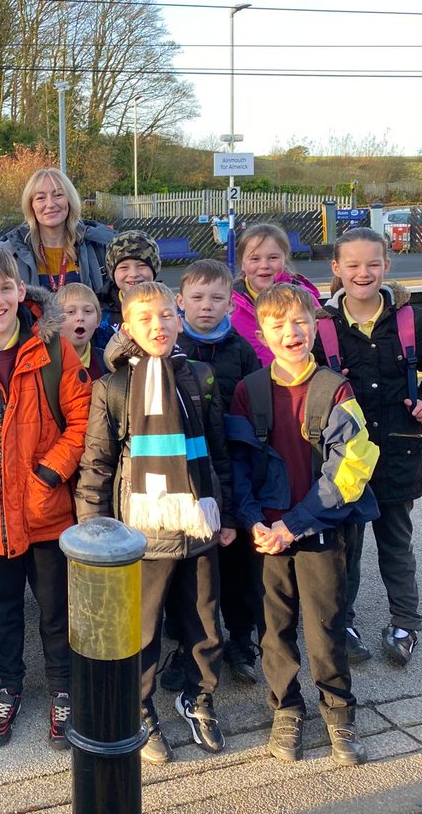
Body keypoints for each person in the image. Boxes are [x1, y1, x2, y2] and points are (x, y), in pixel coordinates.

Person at [75, 281, 234, 764]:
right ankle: (139, 706)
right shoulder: (115, 387)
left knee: (206, 623)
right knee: (142, 631)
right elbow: (97, 465)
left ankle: (197, 695)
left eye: (166, 316)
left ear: (180, 318)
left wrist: (227, 514)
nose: (158, 326)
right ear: (127, 328)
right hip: (142, 534)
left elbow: (220, 452)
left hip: (199, 526)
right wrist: (96, 533)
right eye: (146, 319)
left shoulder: (200, 376)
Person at [224, 283, 380, 767]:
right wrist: (253, 521)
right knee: (274, 629)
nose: (291, 333)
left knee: (326, 626)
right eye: (278, 325)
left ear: (315, 326)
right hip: (267, 537)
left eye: (300, 323)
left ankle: (338, 712)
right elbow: (237, 466)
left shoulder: (335, 389)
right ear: (262, 333)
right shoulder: (248, 392)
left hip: (320, 532)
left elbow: (350, 468)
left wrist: (295, 523)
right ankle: (286, 708)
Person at [0, 245, 92, 751]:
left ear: (21, 291)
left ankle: (62, 690)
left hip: (47, 511)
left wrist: (49, 474)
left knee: (56, 612)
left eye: (6, 287)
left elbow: (81, 420)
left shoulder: (53, 350)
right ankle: (9, 685)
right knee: (1, 610)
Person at [317, 227, 422, 666]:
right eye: (354, 265)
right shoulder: (323, 326)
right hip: (347, 461)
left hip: (400, 454)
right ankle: (346, 620)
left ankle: (404, 623)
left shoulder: (411, 320)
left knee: (396, 543)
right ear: (337, 269)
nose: (364, 273)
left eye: (373, 264)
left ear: (386, 268)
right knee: (348, 547)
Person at [164, 259, 263, 688]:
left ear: (230, 302)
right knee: (190, 573)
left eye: (217, 298)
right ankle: (188, 646)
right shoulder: (168, 347)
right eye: (198, 298)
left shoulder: (241, 351)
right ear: (180, 302)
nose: (207, 306)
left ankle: (241, 639)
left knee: (239, 564)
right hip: (184, 473)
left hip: (231, 468)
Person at [0, 168, 113, 294]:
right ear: (31, 205)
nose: (50, 204)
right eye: (41, 198)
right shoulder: (10, 254)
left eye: (58, 195)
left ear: (70, 200)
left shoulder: (100, 246)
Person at [229, 223, 320, 365]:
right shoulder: (228, 306)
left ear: (285, 259)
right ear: (242, 263)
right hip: (251, 385)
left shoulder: (305, 300)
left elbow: (323, 347)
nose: (264, 265)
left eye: (273, 258)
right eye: (255, 259)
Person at [96, 230, 162, 343]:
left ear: (154, 268)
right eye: (124, 267)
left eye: (141, 265)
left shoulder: (167, 308)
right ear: (112, 272)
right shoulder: (99, 311)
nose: (134, 274)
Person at [56, 282, 106, 380]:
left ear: (98, 320)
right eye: (70, 312)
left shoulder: (105, 361)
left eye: (87, 311)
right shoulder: (45, 363)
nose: (80, 317)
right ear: (55, 320)